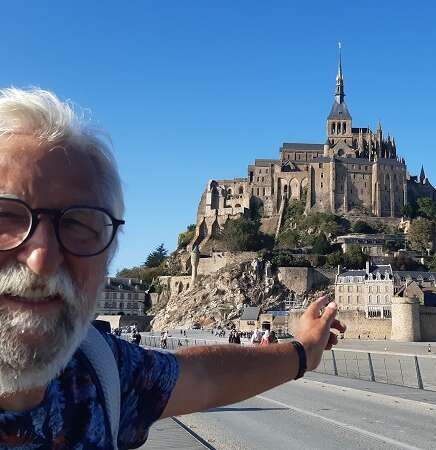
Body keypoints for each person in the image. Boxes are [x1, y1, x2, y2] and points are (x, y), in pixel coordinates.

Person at [0, 88, 345, 449]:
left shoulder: (99, 375)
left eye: (78, 224)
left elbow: (204, 376)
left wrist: (304, 350)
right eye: (6, 215)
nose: (41, 258)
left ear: (108, 252)